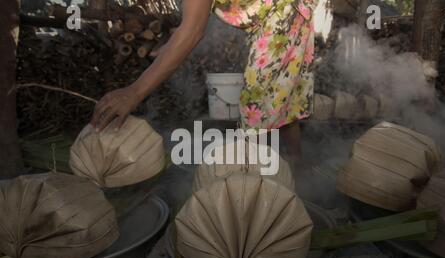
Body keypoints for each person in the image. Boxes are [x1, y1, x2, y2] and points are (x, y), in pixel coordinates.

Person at [91, 0, 317, 167]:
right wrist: (169, 49)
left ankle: (254, 184)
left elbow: (192, 32)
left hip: (283, 14)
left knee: (256, 105)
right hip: (282, 14)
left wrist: (134, 92)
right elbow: (186, 28)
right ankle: (296, 165)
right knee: (282, 95)